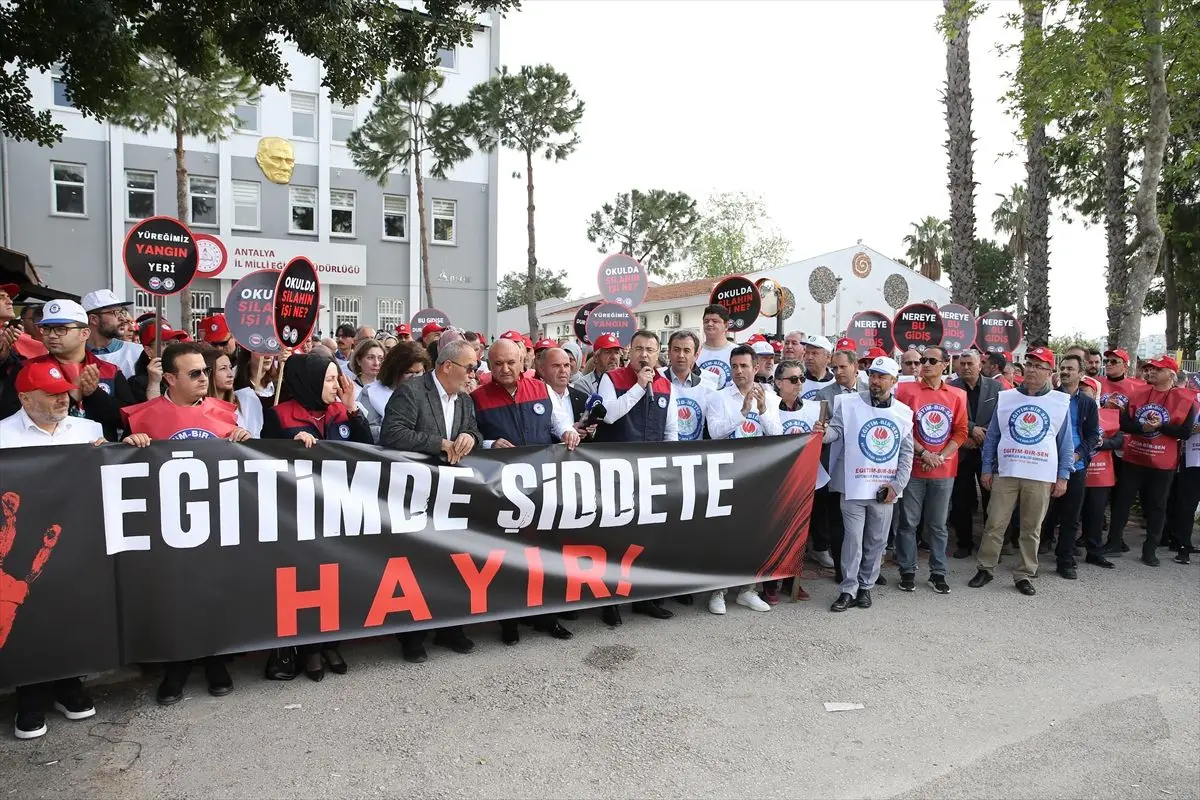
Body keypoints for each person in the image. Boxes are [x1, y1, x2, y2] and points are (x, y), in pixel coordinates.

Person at [120, 342, 251, 704]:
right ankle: (176, 667)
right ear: (170, 378)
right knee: (174, 598)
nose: (204, 379)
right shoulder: (143, 416)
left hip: (216, 522)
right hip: (166, 526)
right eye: (194, 373)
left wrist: (244, 442)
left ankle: (215, 662)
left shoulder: (225, 413)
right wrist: (128, 445)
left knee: (215, 592)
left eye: (206, 372)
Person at [1, 360, 106, 740]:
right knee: (28, 618)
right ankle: (29, 696)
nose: (62, 400)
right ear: (25, 397)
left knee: (72, 612)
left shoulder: (88, 430)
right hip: (23, 546)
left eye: (64, 392)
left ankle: (68, 685)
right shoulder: (3, 436)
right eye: (51, 395)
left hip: (79, 539)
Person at [260, 353, 372, 680]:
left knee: (338, 576)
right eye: (328, 379)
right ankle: (309, 648)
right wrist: (287, 443)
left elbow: (367, 449)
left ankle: (332, 642)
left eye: (337, 378)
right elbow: (262, 456)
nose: (336, 385)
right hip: (299, 515)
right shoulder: (279, 415)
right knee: (308, 580)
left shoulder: (341, 411)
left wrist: (353, 408)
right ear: (308, 382)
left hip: (340, 510)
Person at [380, 340, 482, 662]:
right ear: (447, 366)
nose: (473, 375)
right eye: (469, 368)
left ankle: (451, 627)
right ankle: (411, 636)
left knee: (453, 561)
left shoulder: (464, 400)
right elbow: (392, 434)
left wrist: (470, 438)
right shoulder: (411, 392)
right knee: (416, 563)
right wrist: (440, 443)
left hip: (451, 494)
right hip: (415, 493)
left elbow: (474, 433)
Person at [471, 338, 579, 645]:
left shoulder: (541, 390)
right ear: (488, 365)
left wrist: (568, 431)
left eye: (510, 362)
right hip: (502, 490)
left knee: (544, 553)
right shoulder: (477, 398)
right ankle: (508, 621)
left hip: (542, 484)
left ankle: (546, 615)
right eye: (497, 364)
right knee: (506, 556)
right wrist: (489, 444)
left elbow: (558, 420)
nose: (505, 369)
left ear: (523, 363)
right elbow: (470, 434)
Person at [969, 347, 1072, 596]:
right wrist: (986, 468)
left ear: (1049, 372)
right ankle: (986, 567)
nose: (1032, 370)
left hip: (1040, 474)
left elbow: (1066, 442)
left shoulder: (1058, 403)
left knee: (1031, 527)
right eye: (1030, 364)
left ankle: (1025, 573)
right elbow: (993, 435)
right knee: (995, 522)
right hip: (1007, 470)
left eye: (1039, 366)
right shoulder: (1008, 398)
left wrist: (1063, 476)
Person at [595, 330, 678, 625]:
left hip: (650, 474)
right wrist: (639, 388)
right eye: (639, 349)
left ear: (658, 354)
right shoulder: (612, 379)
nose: (645, 355)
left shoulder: (666, 385)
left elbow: (671, 432)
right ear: (629, 352)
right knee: (616, 540)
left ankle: (645, 598)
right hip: (616, 473)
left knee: (648, 539)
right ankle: (611, 600)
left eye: (651, 350)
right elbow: (609, 416)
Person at [822, 356, 914, 612]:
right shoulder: (849, 404)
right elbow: (836, 432)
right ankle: (848, 589)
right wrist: (822, 432)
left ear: (893, 381)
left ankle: (866, 587)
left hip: (883, 490)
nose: (875, 381)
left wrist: (897, 486)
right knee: (852, 540)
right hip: (853, 486)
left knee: (876, 541)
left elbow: (907, 454)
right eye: (872, 375)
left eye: (881, 376)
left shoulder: (903, 414)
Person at [1105, 355, 1196, 566]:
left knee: (1156, 506)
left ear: (1171, 374)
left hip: (1162, 464)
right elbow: (1124, 423)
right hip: (1135, 457)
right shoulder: (1139, 392)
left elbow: (1184, 431)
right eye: (1149, 369)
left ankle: (1150, 550)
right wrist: (1142, 428)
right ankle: (1114, 542)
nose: (1151, 372)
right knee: (1122, 502)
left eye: (1157, 369)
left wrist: (1160, 427)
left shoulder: (1184, 399)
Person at [893, 346, 968, 594]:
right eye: (922, 360)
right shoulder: (905, 390)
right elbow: (902, 427)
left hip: (943, 470)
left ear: (945, 364)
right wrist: (924, 453)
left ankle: (938, 572)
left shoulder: (957, 395)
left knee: (938, 525)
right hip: (913, 467)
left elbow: (960, 432)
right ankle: (907, 570)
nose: (924, 364)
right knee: (908, 523)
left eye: (931, 360)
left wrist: (940, 457)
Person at [17, 300, 134, 441]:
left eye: (61, 329)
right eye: (46, 329)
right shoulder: (28, 370)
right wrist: (72, 397)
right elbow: (17, 416)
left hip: (99, 456)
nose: (52, 335)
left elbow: (129, 419)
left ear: (85, 333)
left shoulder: (110, 370)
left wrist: (94, 394)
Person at [1036, 354, 1099, 579]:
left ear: (1081, 374)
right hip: (1046, 464)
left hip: (1076, 465)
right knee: (1041, 514)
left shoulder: (1087, 403)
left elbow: (1092, 435)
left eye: (1070, 368)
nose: (1065, 372)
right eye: (1062, 368)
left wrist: (1077, 454)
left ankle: (1065, 560)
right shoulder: (1048, 398)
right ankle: (1031, 557)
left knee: (1072, 516)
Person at [769, 357, 826, 603]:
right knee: (773, 534)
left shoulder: (814, 408)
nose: (799, 384)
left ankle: (793, 580)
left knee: (800, 532)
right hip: (777, 480)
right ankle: (770, 582)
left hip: (805, 478)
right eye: (793, 379)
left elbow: (831, 436)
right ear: (778, 382)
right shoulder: (768, 407)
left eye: (801, 379)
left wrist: (824, 431)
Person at [812, 348, 864, 584]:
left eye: (843, 367)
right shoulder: (824, 394)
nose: (838, 372)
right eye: (834, 368)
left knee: (866, 523)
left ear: (855, 367)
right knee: (838, 522)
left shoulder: (868, 390)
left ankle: (865, 569)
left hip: (866, 469)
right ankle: (842, 571)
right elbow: (821, 429)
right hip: (836, 467)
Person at [948, 350, 1002, 558]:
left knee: (991, 498)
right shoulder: (951, 388)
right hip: (961, 450)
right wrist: (970, 429)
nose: (965, 367)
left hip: (987, 450)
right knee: (961, 498)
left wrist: (983, 433)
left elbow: (1001, 415)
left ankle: (989, 544)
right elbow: (949, 416)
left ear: (980, 365)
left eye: (970, 363)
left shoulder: (995, 387)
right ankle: (964, 543)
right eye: (962, 364)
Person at [1080, 375, 1119, 570]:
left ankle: (1094, 553)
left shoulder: (1109, 414)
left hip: (1100, 474)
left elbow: (1120, 440)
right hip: (1078, 472)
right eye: (1080, 388)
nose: (1083, 391)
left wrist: (1105, 443)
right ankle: (1068, 551)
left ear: (1095, 392)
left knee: (1096, 515)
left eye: (1087, 388)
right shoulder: (1071, 410)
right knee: (1072, 514)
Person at [361, 340, 430, 443]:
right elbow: (367, 431)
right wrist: (402, 433)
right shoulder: (371, 393)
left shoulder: (431, 393)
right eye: (408, 372)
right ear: (394, 371)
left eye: (418, 372)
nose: (414, 377)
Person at [660, 330, 718, 441]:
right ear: (669, 352)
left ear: (696, 355)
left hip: (696, 452)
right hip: (664, 452)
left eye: (687, 351)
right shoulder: (656, 381)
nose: (681, 355)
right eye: (676, 350)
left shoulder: (708, 387)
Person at [1168, 387, 1199, 564]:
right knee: (1187, 505)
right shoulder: (1193, 400)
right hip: (1193, 459)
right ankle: (1183, 547)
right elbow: (1183, 428)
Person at [204, 348, 263, 438]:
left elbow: (255, 440)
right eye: (223, 368)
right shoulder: (198, 407)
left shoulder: (246, 399)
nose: (230, 374)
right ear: (208, 373)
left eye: (230, 368)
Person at [81, 290, 140, 379]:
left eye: (122, 312)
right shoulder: (74, 354)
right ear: (93, 319)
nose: (123, 318)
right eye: (115, 313)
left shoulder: (137, 352)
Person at [127, 320, 188, 403]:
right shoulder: (137, 384)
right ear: (148, 350)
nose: (172, 348)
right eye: (164, 344)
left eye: (175, 342)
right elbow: (154, 412)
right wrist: (154, 383)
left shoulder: (185, 373)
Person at [539, 345, 591, 431]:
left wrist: (588, 432)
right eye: (556, 365)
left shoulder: (582, 398)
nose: (563, 370)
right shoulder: (533, 399)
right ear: (542, 370)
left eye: (566, 365)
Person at [697, 304, 735, 389]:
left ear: (726, 326)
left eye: (715, 321)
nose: (710, 324)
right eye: (706, 321)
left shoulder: (736, 351)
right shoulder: (695, 351)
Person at [800, 335, 835, 400]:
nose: (809, 357)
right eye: (807, 353)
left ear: (828, 357)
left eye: (814, 353)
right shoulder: (796, 380)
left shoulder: (836, 382)